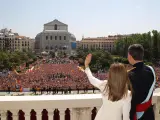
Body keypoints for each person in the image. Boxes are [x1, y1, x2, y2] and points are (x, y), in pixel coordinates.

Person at [83, 53, 132, 120]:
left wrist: (86, 65)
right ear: (123, 75)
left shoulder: (105, 85)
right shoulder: (127, 94)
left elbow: (92, 79)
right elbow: (126, 118)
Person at [127, 44, 155, 120]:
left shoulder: (129, 75)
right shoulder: (151, 70)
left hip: (136, 116)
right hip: (149, 114)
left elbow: (130, 99)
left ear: (129, 56)